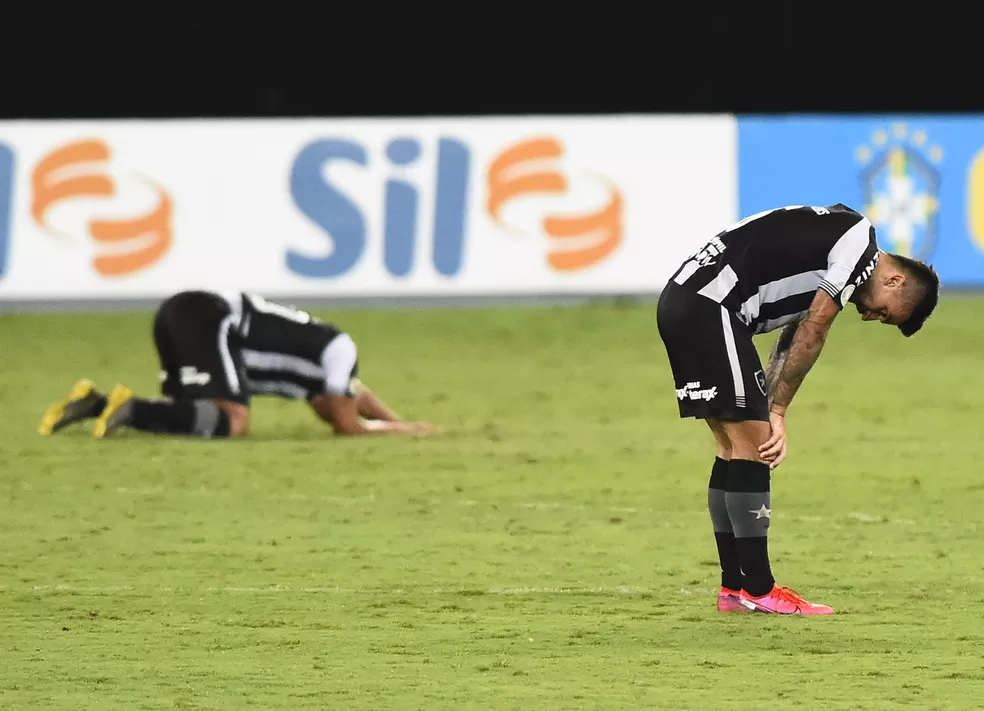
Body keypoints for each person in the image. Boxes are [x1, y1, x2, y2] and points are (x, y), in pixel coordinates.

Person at [656, 204, 939, 615]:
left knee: (732, 446)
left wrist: (768, 404)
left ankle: (734, 589)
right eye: (884, 312)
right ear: (894, 280)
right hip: (712, 307)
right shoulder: (859, 243)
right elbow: (815, 327)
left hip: (687, 302)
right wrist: (778, 412)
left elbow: (799, 324)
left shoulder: (839, 241)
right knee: (754, 447)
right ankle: (759, 589)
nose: (867, 316)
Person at [38, 290, 439, 439]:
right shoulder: (340, 349)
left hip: (181, 316)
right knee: (235, 420)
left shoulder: (308, 372)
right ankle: (134, 409)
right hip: (210, 318)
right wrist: (402, 429)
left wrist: (397, 417)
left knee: (199, 416)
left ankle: (97, 403)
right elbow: (346, 418)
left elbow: (349, 399)